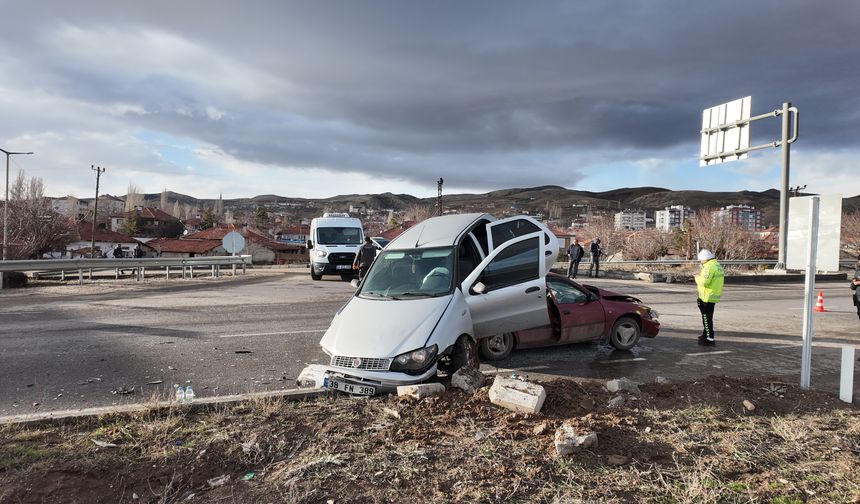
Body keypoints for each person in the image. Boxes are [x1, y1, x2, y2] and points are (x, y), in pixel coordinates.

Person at [694, 249, 724, 346]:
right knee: (707, 317)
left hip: (706, 296)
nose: (700, 262)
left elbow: (704, 282)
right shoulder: (717, 265)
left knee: (706, 318)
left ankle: (709, 338)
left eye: (701, 260)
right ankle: (705, 335)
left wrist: (696, 277)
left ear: (705, 259)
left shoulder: (709, 267)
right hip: (712, 296)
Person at [851, 257, 860, 321]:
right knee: (859, 313)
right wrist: (854, 284)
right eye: (859, 260)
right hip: (858, 297)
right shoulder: (857, 271)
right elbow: (852, 287)